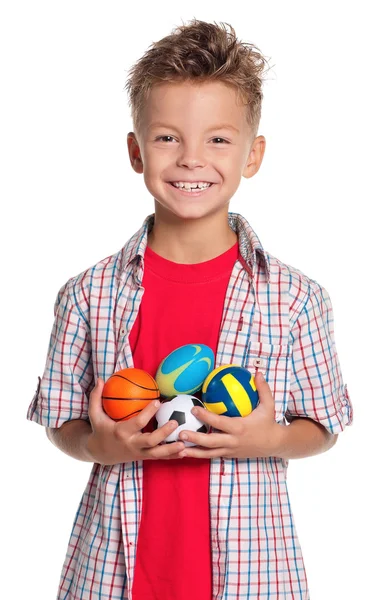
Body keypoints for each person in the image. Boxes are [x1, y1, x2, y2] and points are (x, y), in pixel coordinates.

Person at [27, 18, 353, 600]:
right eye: (168, 137)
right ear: (136, 150)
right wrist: (98, 447)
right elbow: (61, 421)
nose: (191, 159)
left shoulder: (295, 298)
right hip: (112, 572)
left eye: (218, 140)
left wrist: (268, 440)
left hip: (253, 575)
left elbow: (324, 426)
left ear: (253, 155)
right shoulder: (88, 293)